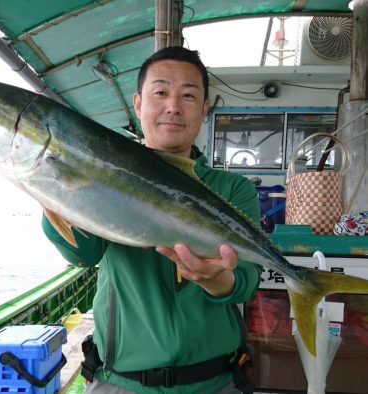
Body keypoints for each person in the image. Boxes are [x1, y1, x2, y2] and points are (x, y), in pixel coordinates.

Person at [42, 46, 262, 394]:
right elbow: (82, 254)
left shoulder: (232, 189)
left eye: (188, 95)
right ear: (139, 104)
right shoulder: (105, 171)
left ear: (205, 109)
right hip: (121, 383)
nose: (173, 106)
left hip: (217, 383)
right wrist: (54, 192)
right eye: (160, 93)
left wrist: (218, 281)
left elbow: (248, 278)